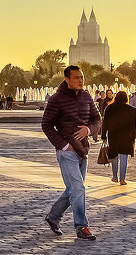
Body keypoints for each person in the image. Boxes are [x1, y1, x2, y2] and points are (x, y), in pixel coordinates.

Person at [41, 66, 100, 241]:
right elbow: (46, 124)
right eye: (76, 78)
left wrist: (89, 130)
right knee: (78, 189)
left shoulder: (86, 96)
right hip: (67, 152)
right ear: (67, 79)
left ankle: (53, 217)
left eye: (82, 77)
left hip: (83, 150)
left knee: (73, 190)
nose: (81, 81)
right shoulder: (56, 99)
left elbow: (97, 119)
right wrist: (63, 145)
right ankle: (82, 227)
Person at [98, 91, 136, 186]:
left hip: (113, 135)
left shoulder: (110, 108)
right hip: (127, 136)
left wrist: (103, 135)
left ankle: (114, 176)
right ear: (126, 98)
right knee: (123, 156)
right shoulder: (129, 108)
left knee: (114, 155)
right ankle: (122, 179)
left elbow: (105, 122)